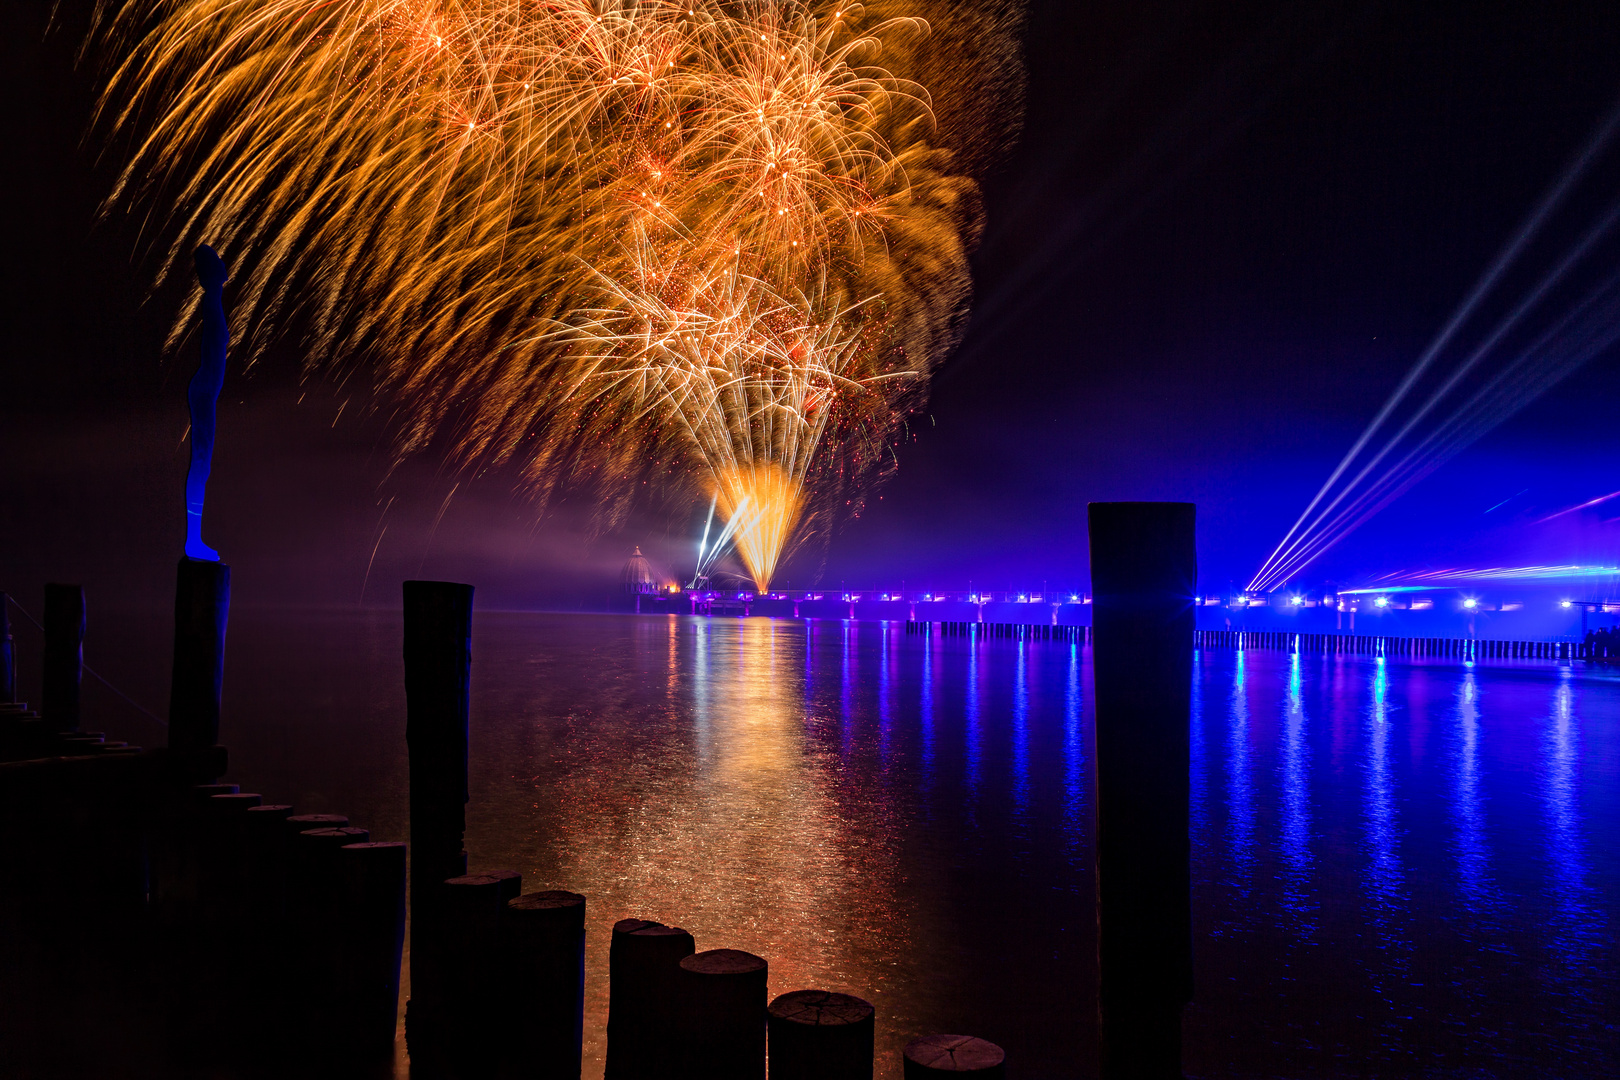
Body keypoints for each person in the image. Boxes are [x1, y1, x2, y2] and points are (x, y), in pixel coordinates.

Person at [184, 245, 229, 562]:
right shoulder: (212, 301)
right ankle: (192, 541)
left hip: (205, 390)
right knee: (200, 464)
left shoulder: (214, 300)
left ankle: (194, 539)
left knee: (203, 465)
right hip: (204, 391)